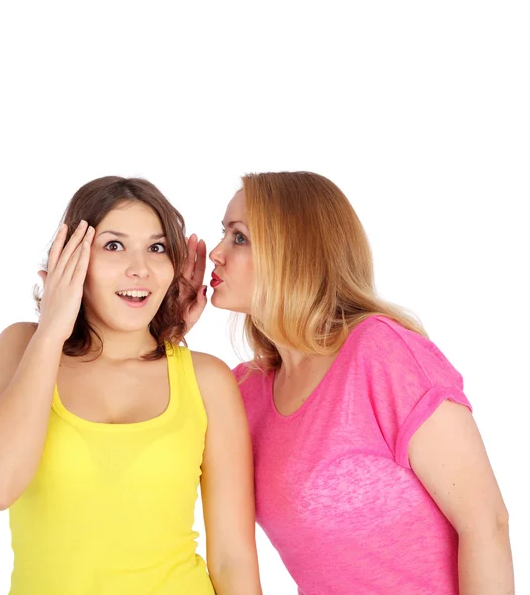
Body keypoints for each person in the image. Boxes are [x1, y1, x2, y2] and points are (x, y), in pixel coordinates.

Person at [184, 171, 514, 594]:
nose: (215, 253)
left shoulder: (380, 353)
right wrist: (167, 330)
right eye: (224, 234)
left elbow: (486, 522)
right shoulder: (243, 392)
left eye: (240, 237)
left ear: (295, 252)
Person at [0, 176, 262, 595]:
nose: (139, 268)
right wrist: (52, 329)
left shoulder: (207, 379)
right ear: (71, 259)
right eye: (114, 245)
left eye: (157, 248)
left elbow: (233, 559)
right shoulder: (23, 347)